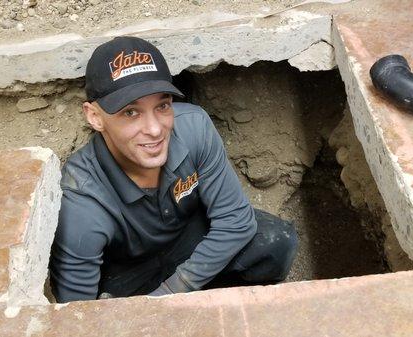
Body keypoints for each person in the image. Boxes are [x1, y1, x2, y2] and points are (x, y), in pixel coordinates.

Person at [49, 36, 299, 303]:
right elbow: (76, 312)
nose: (155, 129)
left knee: (277, 243)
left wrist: (172, 291)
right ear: (95, 117)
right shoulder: (82, 203)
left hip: (188, 239)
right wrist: (147, 311)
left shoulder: (192, 128)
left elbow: (235, 221)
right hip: (128, 274)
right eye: (131, 113)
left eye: (163, 105)